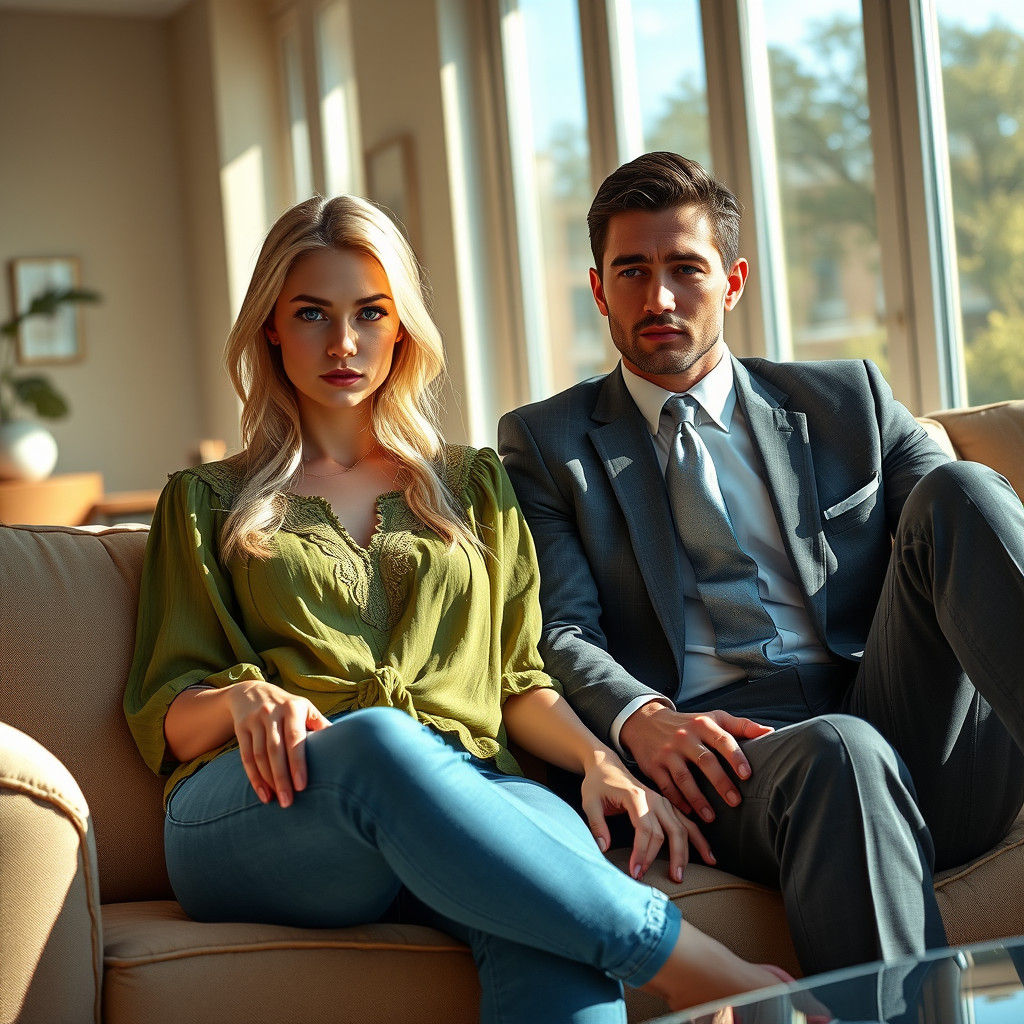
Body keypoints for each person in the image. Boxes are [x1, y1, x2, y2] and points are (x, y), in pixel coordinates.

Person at [123, 193, 791, 1024]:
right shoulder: (207, 501)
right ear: (271, 329)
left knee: (543, 892)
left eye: (371, 313)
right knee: (378, 740)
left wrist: (595, 760)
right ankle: (692, 966)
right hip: (272, 812)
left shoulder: (472, 487)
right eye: (312, 315)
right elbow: (166, 716)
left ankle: (643, 954)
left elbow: (518, 677)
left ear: (401, 328)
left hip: (468, 789)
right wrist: (238, 698)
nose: (343, 343)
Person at [498, 151, 1024, 979]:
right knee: (840, 751)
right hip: (736, 764)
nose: (659, 297)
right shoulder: (546, 444)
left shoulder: (846, 397)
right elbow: (561, 627)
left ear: (733, 281)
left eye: (685, 269)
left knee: (961, 488)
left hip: (908, 722)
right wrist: (639, 716)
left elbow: (966, 523)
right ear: (598, 290)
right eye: (631, 271)